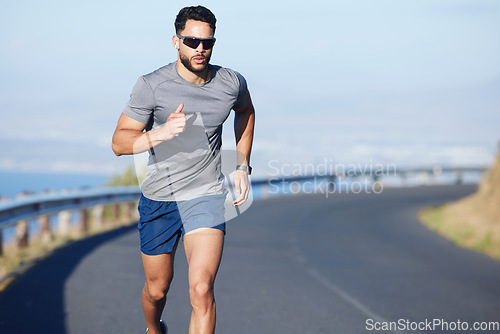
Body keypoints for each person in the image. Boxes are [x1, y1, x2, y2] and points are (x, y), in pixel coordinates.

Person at [111, 5, 255, 334]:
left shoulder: (230, 82)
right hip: (160, 198)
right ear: (176, 41)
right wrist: (160, 133)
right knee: (157, 289)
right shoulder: (152, 86)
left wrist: (242, 164)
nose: (200, 48)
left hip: (205, 194)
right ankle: (153, 328)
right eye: (192, 41)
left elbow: (245, 112)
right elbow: (119, 143)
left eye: (208, 42)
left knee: (201, 289)